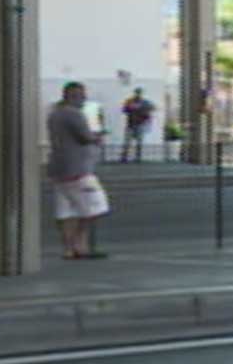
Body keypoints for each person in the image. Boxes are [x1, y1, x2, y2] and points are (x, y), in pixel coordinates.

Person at [47, 81, 109, 260]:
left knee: (65, 210)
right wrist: (97, 136)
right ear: (73, 96)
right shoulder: (75, 114)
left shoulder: (54, 114)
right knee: (95, 207)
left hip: (58, 169)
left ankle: (68, 248)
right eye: (82, 96)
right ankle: (80, 245)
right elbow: (85, 137)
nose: (84, 99)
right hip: (78, 170)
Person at [121, 88, 155, 163]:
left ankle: (138, 158)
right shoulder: (129, 101)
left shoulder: (145, 102)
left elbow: (152, 108)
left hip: (140, 124)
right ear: (135, 93)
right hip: (130, 124)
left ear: (141, 94)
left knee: (139, 142)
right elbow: (123, 109)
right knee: (127, 142)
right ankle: (124, 158)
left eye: (139, 93)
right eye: (137, 93)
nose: (138, 94)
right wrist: (130, 107)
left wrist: (144, 111)